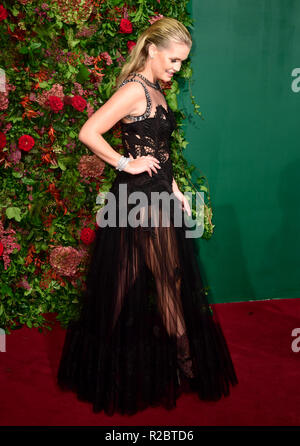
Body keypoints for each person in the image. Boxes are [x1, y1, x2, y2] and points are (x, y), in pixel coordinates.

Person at [56, 17, 238, 416]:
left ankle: (102, 365)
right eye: (173, 60)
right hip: (139, 203)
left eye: (181, 63)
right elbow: (89, 132)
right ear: (152, 50)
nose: (176, 68)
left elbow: (159, 150)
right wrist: (125, 162)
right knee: (164, 280)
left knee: (125, 283)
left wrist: (175, 191)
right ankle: (183, 360)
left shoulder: (155, 88)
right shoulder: (134, 90)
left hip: (157, 198)